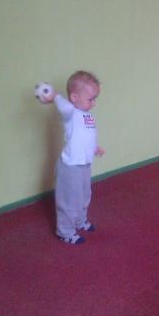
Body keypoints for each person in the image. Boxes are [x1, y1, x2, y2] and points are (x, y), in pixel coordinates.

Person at [44, 70, 104, 244]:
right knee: (69, 201)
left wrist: (94, 148)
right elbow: (64, 106)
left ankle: (80, 221)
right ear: (74, 97)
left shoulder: (88, 116)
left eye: (95, 99)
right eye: (90, 99)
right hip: (70, 167)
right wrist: (55, 96)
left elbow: (87, 136)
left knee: (84, 196)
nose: (94, 103)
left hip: (84, 165)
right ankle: (65, 232)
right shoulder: (70, 114)